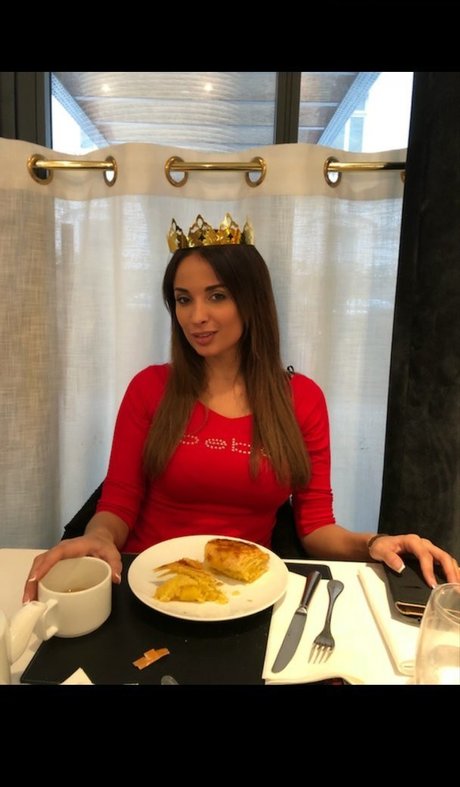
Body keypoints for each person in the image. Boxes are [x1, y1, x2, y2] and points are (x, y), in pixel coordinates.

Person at [23, 214, 459, 602]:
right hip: (147, 580)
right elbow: (119, 501)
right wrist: (100, 537)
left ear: (252, 301)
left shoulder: (302, 400)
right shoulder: (150, 388)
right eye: (183, 299)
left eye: (216, 296)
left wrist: (374, 543)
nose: (196, 316)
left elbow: (315, 527)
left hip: (244, 595)